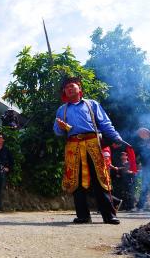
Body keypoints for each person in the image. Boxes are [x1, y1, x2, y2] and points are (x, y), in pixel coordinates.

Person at [53, 76, 128, 225]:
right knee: (76, 181)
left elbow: (105, 123)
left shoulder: (91, 104)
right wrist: (60, 128)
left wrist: (116, 137)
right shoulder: (62, 110)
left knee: (100, 179)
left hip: (93, 143)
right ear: (65, 92)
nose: (69, 88)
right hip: (73, 146)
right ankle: (83, 216)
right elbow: (57, 132)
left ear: (79, 89)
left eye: (72, 86)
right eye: (66, 87)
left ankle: (109, 215)